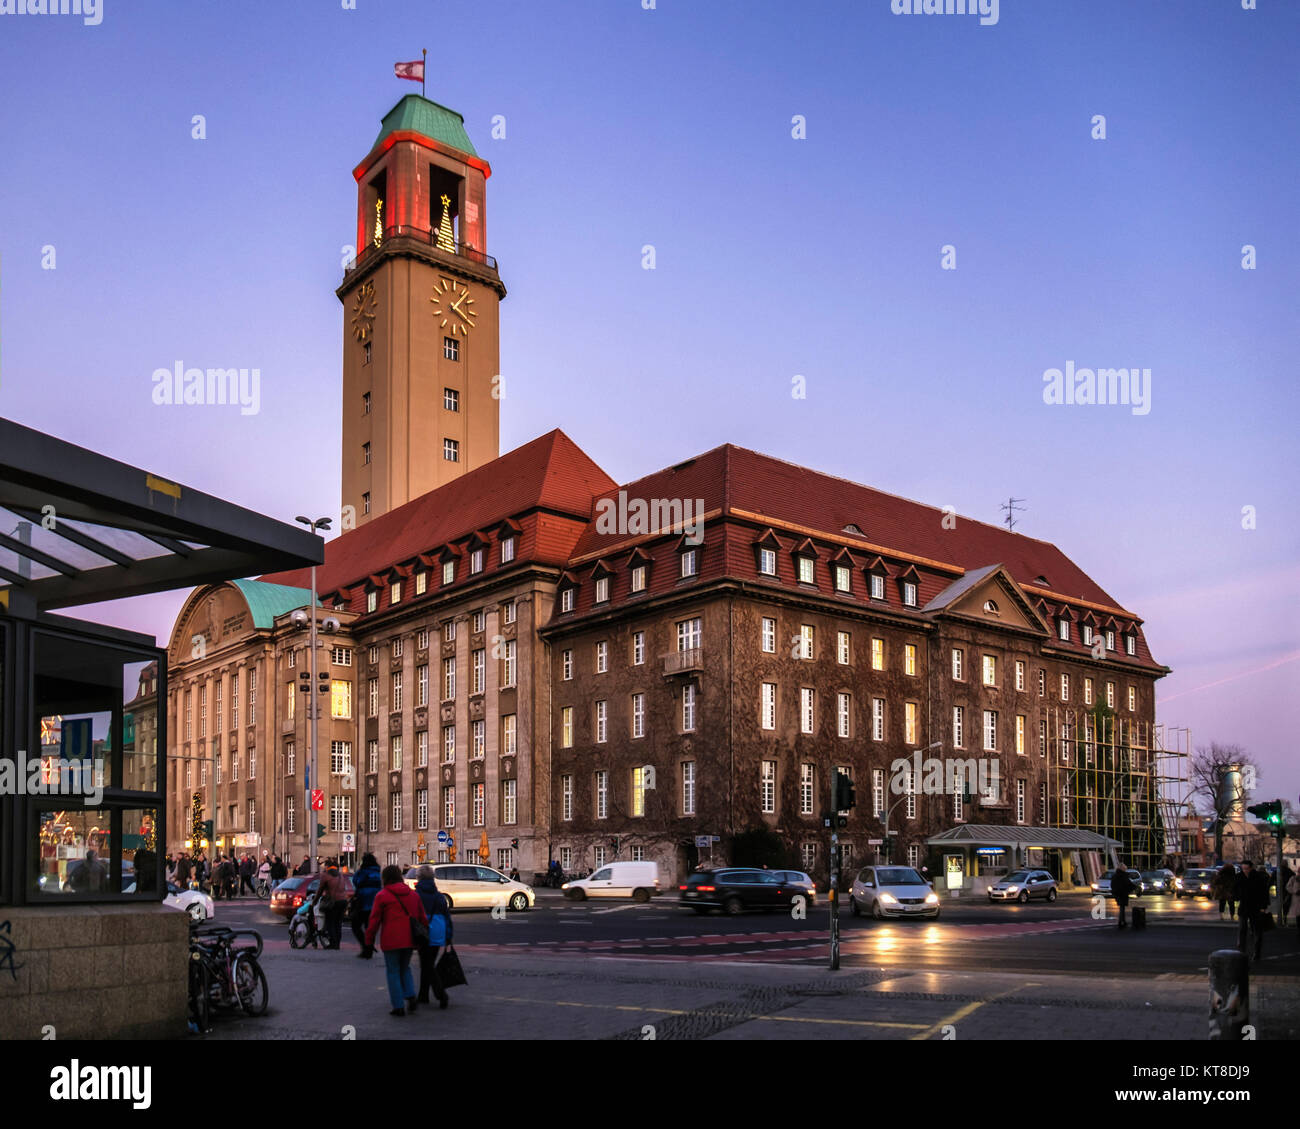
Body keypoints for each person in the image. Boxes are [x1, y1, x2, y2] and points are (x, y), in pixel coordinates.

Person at [364, 865, 428, 1017]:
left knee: (393, 971)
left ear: (385, 878)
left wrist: (368, 941)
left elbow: (374, 921)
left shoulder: (382, 895)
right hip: (409, 939)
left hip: (391, 940)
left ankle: (398, 1006)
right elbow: (422, 918)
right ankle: (411, 995)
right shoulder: (413, 895)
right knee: (405, 968)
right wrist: (423, 937)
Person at [413, 865, 453, 1009]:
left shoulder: (416, 894)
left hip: (423, 931)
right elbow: (447, 917)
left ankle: (441, 994)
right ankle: (423, 995)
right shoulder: (439, 896)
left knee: (427, 964)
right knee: (427, 963)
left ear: (419, 878)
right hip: (438, 930)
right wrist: (449, 936)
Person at [1234, 860, 1270, 959]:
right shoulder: (1239, 877)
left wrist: (1263, 907)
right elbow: (1235, 890)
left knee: (1257, 930)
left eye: (1246, 869)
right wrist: (1237, 896)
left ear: (1251, 868)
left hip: (1256, 907)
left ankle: (1257, 951)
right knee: (1242, 928)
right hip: (1244, 906)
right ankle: (1242, 950)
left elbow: (1264, 892)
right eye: (1243, 868)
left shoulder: (1258, 877)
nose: (1245, 870)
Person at [350, 853, 383, 956]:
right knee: (370, 927)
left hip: (362, 901)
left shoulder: (363, 872)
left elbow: (356, 881)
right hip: (375, 903)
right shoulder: (377, 872)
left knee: (356, 925)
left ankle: (365, 946)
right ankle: (369, 948)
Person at [315, 864, 346, 949]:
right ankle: (337, 944)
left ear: (327, 867)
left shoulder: (326, 875)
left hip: (333, 902)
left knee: (330, 922)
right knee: (338, 923)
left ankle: (333, 944)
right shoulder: (340, 875)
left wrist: (315, 901)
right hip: (343, 901)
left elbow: (320, 890)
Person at [1111, 862, 1134, 928]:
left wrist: (1114, 892)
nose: (1125, 870)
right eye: (1125, 869)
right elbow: (1128, 884)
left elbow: (1113, 885)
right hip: (1122, 893)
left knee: (1122, 907)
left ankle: (1122, 921)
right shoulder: (1123, 876)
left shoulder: (1115, 876)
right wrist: (1134, 888)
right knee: (1122, 907)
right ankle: (1121, 921)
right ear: (1123, 869)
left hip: (1117, 893)